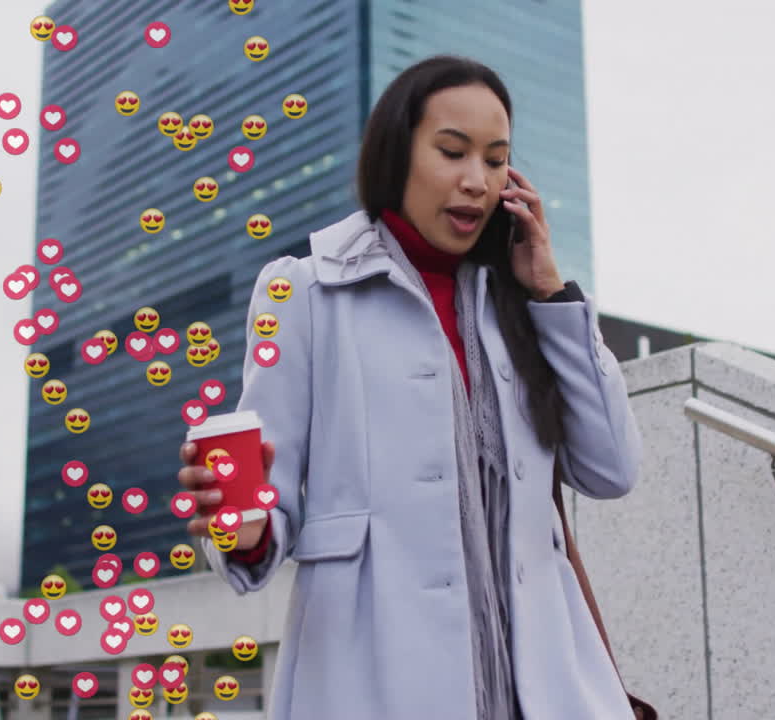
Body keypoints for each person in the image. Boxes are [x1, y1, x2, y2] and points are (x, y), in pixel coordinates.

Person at [177, 54, 644, 720]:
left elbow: (612, 469)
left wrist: (550, 292)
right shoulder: (305, 293)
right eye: (452, 152)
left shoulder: (521, 301)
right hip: (372, 683)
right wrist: (246, 530)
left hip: (543, 692)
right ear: (397, 155)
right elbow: (265, 504)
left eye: (495, 160)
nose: (476, 181)